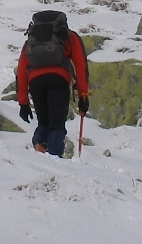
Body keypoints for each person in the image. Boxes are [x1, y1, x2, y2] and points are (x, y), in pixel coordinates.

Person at [15, 11, 90, 157]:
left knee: (43, 122)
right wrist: (83, 95)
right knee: (56, 124)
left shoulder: (32, 39)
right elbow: (81, 66)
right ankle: (55, 159)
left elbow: (22, 70)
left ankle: (39, 148)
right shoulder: (69, 36)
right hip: (58, 81)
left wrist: (23, 102)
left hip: (36, 82)